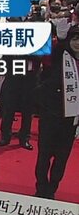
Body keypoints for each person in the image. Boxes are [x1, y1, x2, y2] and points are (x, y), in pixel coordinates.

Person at [34, 25, 79, 199]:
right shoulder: (58, 56)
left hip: (70, 120)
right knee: (44, 155)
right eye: (75, 39)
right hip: (50, 115)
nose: (77, 43)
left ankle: (52, 189)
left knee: (61, 159)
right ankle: (41, 188)